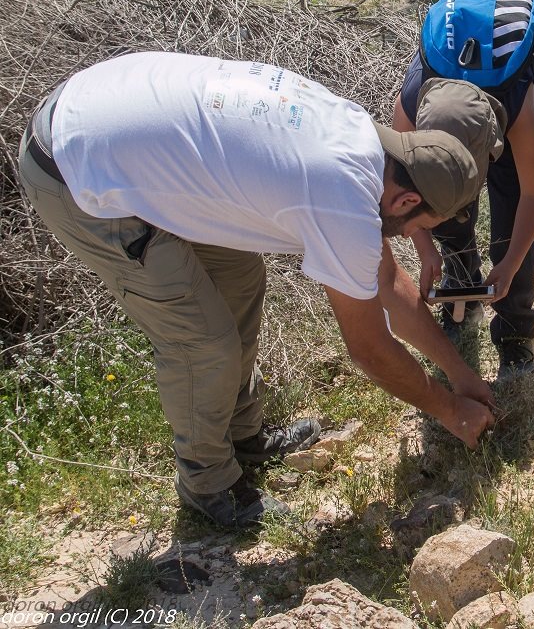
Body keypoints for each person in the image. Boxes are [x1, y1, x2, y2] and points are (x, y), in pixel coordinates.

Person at [18, 52, 497, 528]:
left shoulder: (367, 144)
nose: (415, 235)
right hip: (75, 165)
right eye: (424, 225)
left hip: (120, 120)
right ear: (408, 199)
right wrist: (451, 411)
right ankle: (207, 484)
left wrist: (458, 372)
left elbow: (388, 283)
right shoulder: (342, 197)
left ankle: (240, 432)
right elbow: (370, 349)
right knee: (202, 343)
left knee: (241, 279)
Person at [396, 55, 534, 377]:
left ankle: (515, 330)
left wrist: (510, 264)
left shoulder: (517, 105)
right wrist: (426, 251)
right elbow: (402, 197)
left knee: (510, 217)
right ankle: (461, 287)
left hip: (506, 97)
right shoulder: (410, 110)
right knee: (437, 203)